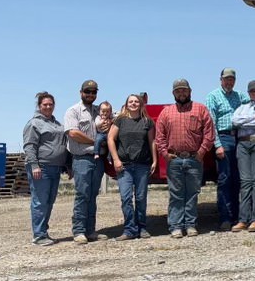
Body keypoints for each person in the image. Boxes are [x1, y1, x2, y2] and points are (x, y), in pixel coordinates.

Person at [155, 78, 215, 238]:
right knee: (176, 194)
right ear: (173, 93)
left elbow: (209, 133)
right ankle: (175, 226)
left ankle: (190, 225)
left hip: (194, 159)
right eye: (178, 90)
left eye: (184, 90)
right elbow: (159, 136)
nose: (181, 93)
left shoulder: (200, 109)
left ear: (190, 91)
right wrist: (166, 154)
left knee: (192, 194)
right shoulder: (166, 112)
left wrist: (202, 152)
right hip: (174, 160)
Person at [107, 94, 157, 241]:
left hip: (143, 165)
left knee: (141, 198)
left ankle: (142, 227)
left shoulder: (147, 121)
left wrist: (154, 160)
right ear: (126, 104)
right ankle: (129, 229)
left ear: (141, 104)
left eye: (136, 101)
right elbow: (110, 138)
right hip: (124, 166)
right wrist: (116, 159)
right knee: (126, 198)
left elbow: (152, 141)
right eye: (131, 101)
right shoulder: (120, 120)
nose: (134, 104)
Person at [205, 68, 249, 231]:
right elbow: (211, 124)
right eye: (226, 79)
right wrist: (217, 145)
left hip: (240, 138)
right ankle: (225, 218)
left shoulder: (239, 96)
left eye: (232, 79)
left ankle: (238, 217)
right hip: (223, 138)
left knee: (239, 179)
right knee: (225, 179)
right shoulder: (213, 96)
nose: (229, 82)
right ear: (221, 79)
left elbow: (254, 101)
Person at [64, 79, 107, 244]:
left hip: (98, 160)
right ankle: (79, 231)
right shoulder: (72, 111)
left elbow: (115, 116)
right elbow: (73, 133)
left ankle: (90, 230)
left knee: (93, 195)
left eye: (93, 92)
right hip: (82, 158)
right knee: (82, 194)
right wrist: (94, 142)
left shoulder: (99, 111)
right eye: (87, 92)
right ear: (81, 92)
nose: (90, 94)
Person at [23, 92, 67, 246]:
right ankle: (38, 235)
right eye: (45, 104)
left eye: (50, 104)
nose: (48, 107)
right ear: (39, 106)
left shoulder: (57, 123)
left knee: (49, 201)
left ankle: (43, 232)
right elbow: (29, 146)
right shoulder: (34, 124)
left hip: (55, 168)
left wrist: (67, 165)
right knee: (40, 201)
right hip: (41, 167)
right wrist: (34, 165)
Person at [231, 80, 255, 233]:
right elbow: (235, 121)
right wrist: (253, 120)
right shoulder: (241, 107)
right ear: (248, 92)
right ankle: (243, 219)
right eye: (252, 91)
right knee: (245, 182)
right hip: (243, 145)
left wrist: (245, 122)